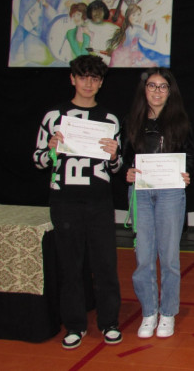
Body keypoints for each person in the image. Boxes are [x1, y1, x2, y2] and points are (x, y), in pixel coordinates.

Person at [32, 55, 122, 350]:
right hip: (65, 200)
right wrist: (52, 149)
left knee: (105, 264)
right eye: (83, 77)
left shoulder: (109, 119)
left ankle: (109, 322)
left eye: (94, 78)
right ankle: (74, 324)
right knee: (70, 266)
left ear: (101, 82)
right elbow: (38, 160)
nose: (88, 83)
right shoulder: (54, 116)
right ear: (72, 79)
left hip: (99, 200)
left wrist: (114, 155)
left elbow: (116, 167)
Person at [122, 68, 194, 339]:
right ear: (144, 90)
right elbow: (125, 158)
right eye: (152, 85)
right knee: (143, 257)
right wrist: (127, 172)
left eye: (163, 86)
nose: (157, 91)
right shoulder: (132, 120)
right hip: (141, 192)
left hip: (170, 193)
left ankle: (167, 313)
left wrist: (186, 172)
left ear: (170, 91)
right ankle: (148, 311)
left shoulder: (180, 121)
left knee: (169, 258)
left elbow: (190, 156)